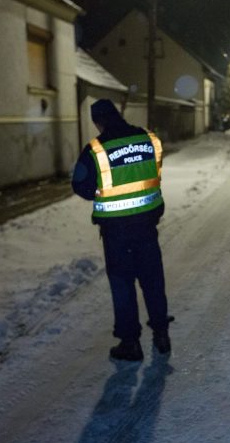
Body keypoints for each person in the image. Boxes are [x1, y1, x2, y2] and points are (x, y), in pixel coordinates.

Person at [71, 99, 172, 361]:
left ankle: (130, 343)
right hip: (147, 225)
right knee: (153, 280)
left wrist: (101, 192)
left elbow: (80, 185)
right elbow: (156, 170)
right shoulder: (149, 138)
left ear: (98, 121)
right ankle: (161, 333)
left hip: (116, 232)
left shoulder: (96, 149)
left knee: (123, 285)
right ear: (119, 114)